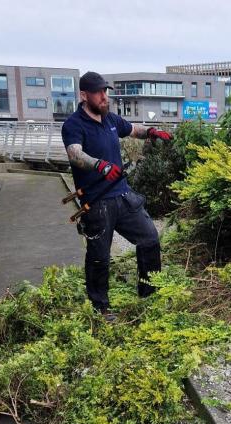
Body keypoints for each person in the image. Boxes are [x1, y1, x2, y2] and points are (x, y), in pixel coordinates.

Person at [61, 71, 172, 320]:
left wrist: (152, 132)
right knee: (99, 257)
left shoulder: (110, 118)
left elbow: (132, 129)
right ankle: (100, 308)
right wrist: (100, 165)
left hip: (123, 196)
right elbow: (74, 154)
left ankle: (149, 295)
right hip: (97, 202)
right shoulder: (73, 125)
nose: (104, 96)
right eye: (99, 92)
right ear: (84, 95)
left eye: (105, 91)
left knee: (150, 240)